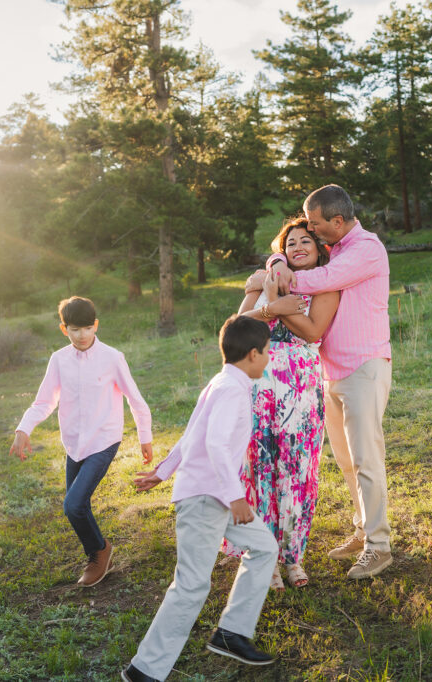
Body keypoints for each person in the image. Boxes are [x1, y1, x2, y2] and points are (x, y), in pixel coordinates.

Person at [123, 315, 278, 682]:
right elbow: (214, 444)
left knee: (264, 546)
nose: (269, 359)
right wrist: (236, 496)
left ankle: (232, 633)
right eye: (268, 352)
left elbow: (191, 434)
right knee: (192, 584)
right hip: (209, 497)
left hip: (216, 496)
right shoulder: (230, 390)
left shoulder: (222, 382)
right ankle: (144, 670)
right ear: (254, 354)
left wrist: (162, 471)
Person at [257, 184, 393, 580]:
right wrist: (277, 258)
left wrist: (278, 276)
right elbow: (293, 250)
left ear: (336, 221)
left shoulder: (366, 249)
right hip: (330, 371)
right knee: (348, 461)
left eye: (316, 223)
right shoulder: (338, 246)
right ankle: (362, 527)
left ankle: (379, 545)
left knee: (367, 458)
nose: (312, 231)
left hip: (364, 366)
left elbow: (319, 277)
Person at [9, 296, 153, 588]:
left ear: (96, 325)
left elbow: (135, 399)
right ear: (64, 329)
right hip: (74, 444)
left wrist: (144, 437)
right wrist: (23, 429)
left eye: (87, 328)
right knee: (78, 505)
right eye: (75, 329)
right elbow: (44, 401)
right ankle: (97, 551)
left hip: (104, 439)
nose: (82, 335)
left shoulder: (112, 357)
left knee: (72, 505)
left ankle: (99, 552)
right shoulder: (59, 360)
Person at [227, 217, 339, 590]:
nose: (298, 247)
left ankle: (292, 558)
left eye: (306, 240)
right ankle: (263, 557)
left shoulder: (326, 285)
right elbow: (236, 325)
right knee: (259, 468)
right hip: (256, 384)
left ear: (318, 247)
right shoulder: (265, 281)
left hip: (300, 386)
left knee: (295, 470)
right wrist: (273, 305)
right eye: (290, 243)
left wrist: (281, 307)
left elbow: (313, 331)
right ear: (282, 251)